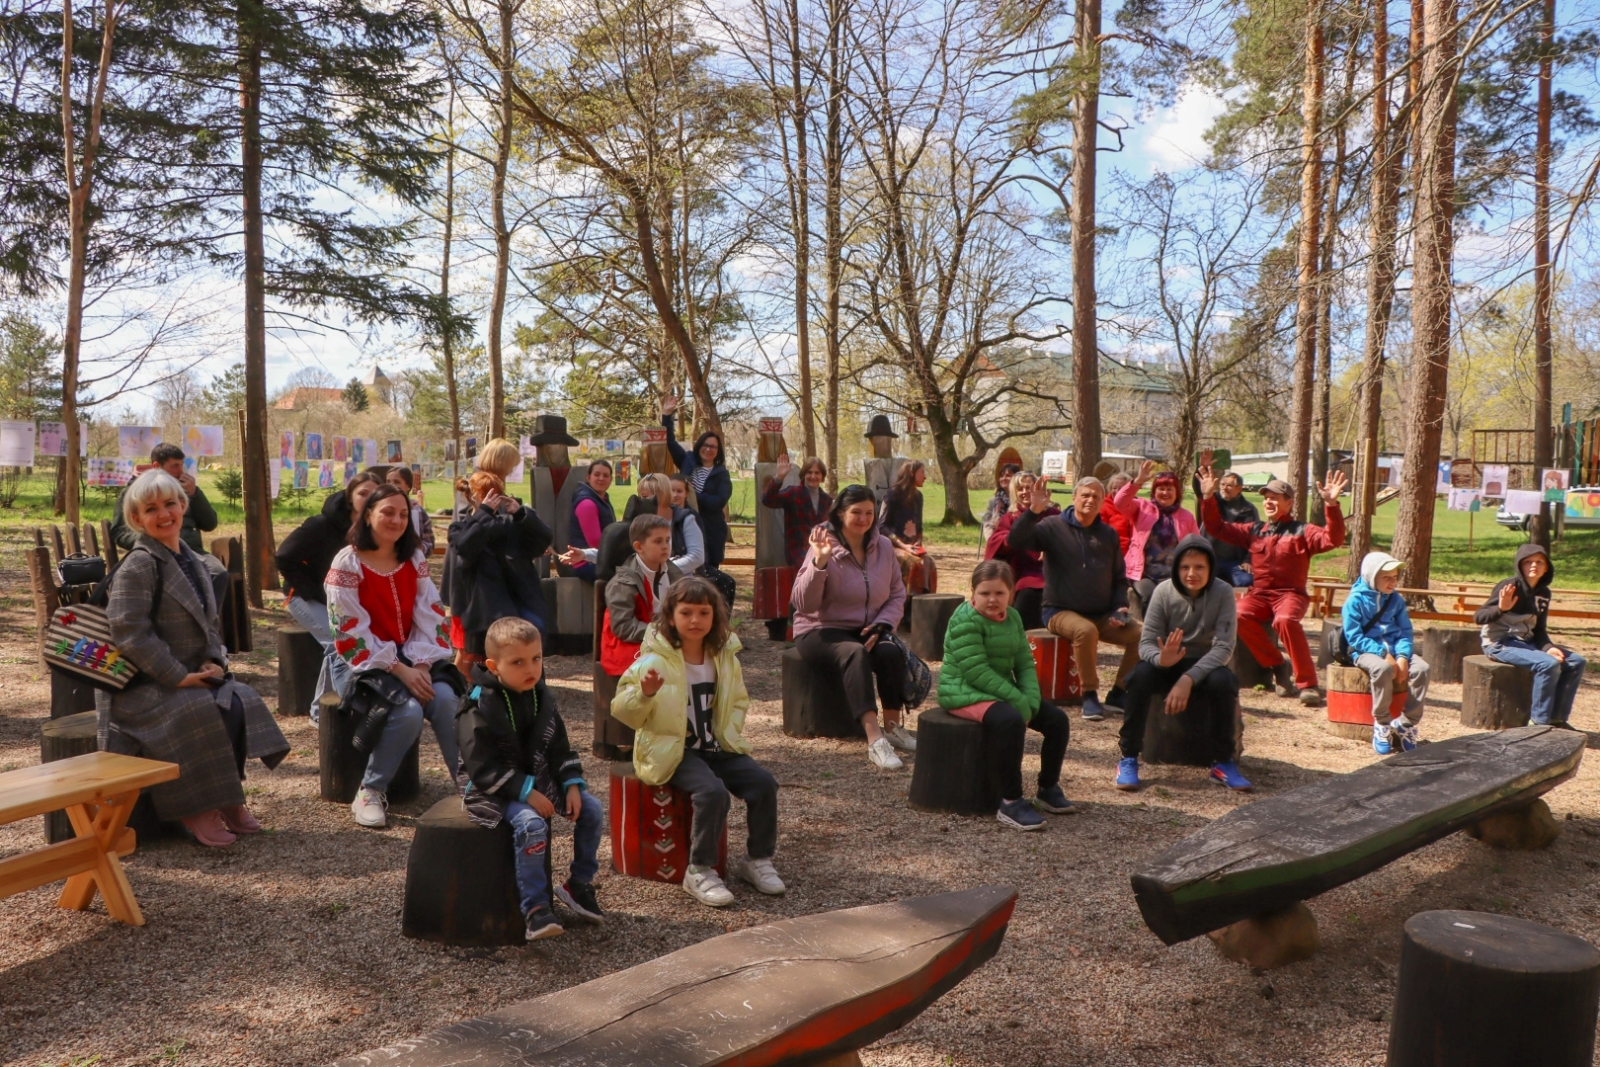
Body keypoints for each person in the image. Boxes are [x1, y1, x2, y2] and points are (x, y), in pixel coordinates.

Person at [100, 469, 288, 846]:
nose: (163, 513)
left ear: (183, 505)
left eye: (170, 503)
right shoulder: (138, 564)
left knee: (238, 700)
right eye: (150, 508)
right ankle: (195, 808)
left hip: (187, 675)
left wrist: (214, 661)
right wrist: (176, 676)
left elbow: (210, 624)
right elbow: (127, 631)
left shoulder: (192, 558)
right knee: (199, 709)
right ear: (136, 519)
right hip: (141, 687)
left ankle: (228, 797)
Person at [612, 577, 785, 907]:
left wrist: (728, 733)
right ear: (671, 616)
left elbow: (738, 701)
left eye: (703, 612)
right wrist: (645, 694)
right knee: (712, 791)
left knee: (763, 783)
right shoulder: (653, 660)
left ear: (715, 616)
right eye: (686, 612)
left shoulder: (723, 657)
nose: (695, 620)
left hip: (716, 746)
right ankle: (699, 869)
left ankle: (757, 859)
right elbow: (623, 711)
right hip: (673, 750)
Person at [456, 617, 604, 940]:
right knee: (531, 825)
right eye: (518, 662)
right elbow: (480, 767)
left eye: (536, 659)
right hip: (493, 788)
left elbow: (560, 748)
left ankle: (578, 885)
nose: (531, 668)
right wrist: (526, 793)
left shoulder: (542, 696)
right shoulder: (477, 705)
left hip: (536, 777)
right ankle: (535, 909)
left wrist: (572, 784)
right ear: (494, 665)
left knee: (591, 810)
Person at [326, 484, 461, 828]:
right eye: (387, 512)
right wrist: (400, 669)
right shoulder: (348, 563)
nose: (396, 520)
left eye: (403, 514)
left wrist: (422, 663)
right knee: (408, 711)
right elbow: (349, 631)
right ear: (367, 514)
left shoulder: (413, 558)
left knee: (445, 699)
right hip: (362, 662)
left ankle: (471, 786)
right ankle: (370, 790)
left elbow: (430, 613)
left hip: (413, 657)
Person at [937, 560, 1076, 830]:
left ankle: (1048, 787)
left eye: (999, 593)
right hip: (964, 690)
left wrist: (1030, 700)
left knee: (1057, 720)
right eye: (985, 593)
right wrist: (1018, 703)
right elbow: (976, 671)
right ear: (973, 593)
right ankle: (1010, 801)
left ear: (1011, 594)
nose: (992, 599)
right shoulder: (964, 620)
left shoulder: (1012, 617)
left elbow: (1024, 662)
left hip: (999, 689)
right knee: (1010, 721)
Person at [1199, 461, 1348, 707]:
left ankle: (1308, 683)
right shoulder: (1255, 530)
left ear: (1289, 502)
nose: (1268, 501)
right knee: (1237, 613)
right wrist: (1207, 497)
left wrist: (1331, 505)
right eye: (1266, 498)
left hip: (1290, 595)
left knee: (1285, 620)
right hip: (1260, 595)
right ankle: (1278, 666)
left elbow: (1334, 538)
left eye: (1275, 498)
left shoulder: (1303, 530)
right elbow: (1215, 527)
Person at [1116, 535, 1248, 792]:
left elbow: (1224, 647)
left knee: (1224, 681)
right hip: (1167, 661)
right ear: (1176, 568)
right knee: (1140, 675)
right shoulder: (1163, 592)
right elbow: (1146, 645)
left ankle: (1223, 762)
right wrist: (1160, 660)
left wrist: (1188, 679)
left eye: (1200, 567)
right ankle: (1128, 757)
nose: (1192, 573)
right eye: (1185, 567)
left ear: (1210, 568)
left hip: (1204, 664)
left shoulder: (1222, 593)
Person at [792, 484, 912, 769]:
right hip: (820, 629)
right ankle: (874, 739)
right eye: (856, 512)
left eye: (869, 512)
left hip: (868, 626)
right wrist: (819, 562)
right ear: (840, 513)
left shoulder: (882, 545)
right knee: (855, 653)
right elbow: (803, 604)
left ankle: (893, 727)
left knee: (889, 652)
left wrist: (884, 624)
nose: (864, 519)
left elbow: (897, 593)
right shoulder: (823, 545)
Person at [1007, 476, 1141, 722]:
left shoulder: (1108, 534)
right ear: (1074, 498)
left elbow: (1120, 578)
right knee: (1085, 631)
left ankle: (1119, 692)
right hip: (1059, 611)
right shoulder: (1052, 526)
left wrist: (1119, 607)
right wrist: (1033, 510)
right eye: (1085, 495)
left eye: (1096, 496)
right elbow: (1015, 540)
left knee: (1142, 634)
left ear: (1102, 502)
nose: (1090, 500)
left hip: (1102, 613)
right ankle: (1089, 694)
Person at [276, 468, 385, 714]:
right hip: (304, 597)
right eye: (362, 493)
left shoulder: (375, 529)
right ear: (350, 497)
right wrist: (312, 588)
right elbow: (283, 556)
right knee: (341, 644)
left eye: (374, 494)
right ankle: (352, 709)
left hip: (343, 602)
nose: (368, 498)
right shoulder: (321, 524)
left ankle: (318, 711)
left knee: (342, 644)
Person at [446, 470, 554, 668]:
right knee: (484, 673)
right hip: (486, 610)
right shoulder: (461, 528)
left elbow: (543, 539)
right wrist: (483, 513)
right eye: (486, 496)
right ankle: (477, 697)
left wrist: (522, 514)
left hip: (522, 603)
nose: (493, 501)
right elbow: (464, 546)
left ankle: (533, 694)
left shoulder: (511, 524)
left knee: (530, 651)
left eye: (496, 495)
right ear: (473, 498)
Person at [1475, 544, 1586, 729]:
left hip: (1528, 643)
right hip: (1499, 643)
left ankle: (1557, 719)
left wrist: (1548, 647)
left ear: (1546, 567)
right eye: (1528, 562)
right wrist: (1501, 608)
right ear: (1520, 565)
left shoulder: (1543, 594)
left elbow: (1539, 629)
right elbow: (1479, 617)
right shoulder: (1509, 586)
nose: (1534, 565)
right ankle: (1539, 723)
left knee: (1576, 662)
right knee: (1547, 664)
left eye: (1539, 562)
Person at [111, 442, 227, 605]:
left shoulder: (183, 491)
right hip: (156, 555)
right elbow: (119, 532)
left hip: (192, 553)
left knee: (217, 573)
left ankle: (207, 623)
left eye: (181, 465)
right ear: (157, 466)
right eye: (175, 466)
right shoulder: (135, 493)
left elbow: (210, 524)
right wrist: (151, 542)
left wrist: (194, 494)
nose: (181, 471)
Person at [1343, 551, 1431, 754]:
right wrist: (1384, 654)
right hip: (1365, 651)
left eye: (1395, 577)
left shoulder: (1396, 600)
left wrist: (1401, 656)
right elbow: (1354, 638)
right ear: (1372, 577)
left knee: (1422, 669)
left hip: (1396, 649)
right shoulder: (1354, 601)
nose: (1393, 582)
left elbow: (1405, 632)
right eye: (1386, 578)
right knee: (1382, 670)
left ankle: (1406, 723)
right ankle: (1382, 723)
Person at [599, 514, 685, 676]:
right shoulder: (623, 583)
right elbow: (623, 627)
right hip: (630, 644)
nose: (666, 546)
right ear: (639, 547)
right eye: (658, 541)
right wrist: (662, 632)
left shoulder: (675, 575)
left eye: (668, 540)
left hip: (663, 638)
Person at [1113, 460, 1200, 613]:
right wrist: (1138, 481)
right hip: (1143, 574)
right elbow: (1119, 502)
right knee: (1151, 596)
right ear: (1154, 491)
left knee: (1177, 598)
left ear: (1177, 492)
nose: (1165, 492)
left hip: (1174, 574)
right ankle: (1152, 634)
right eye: (1161, 488)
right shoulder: (1142, 508)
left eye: (1169, 489)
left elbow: (1198, 545)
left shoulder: (1186, 517)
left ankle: (1175, 634)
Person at [661, 396, 733, 571]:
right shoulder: (687, 461)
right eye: (705, 445)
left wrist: (692, 494)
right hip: (683, 524)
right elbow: (669, 442)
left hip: (710, 528)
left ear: (718, 451)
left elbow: (718, 502)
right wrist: (667, 415)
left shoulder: (721, 474)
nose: (708, 449)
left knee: (708, 572)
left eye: (713, 447)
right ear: (700, 445)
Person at [984, 470, 1057, 630]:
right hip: (1024, 571)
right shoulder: (1010, 517)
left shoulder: (1053, 514)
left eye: (1028, 488)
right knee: (1028, 591)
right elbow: (1000, 543)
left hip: (1053, 571)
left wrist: (1050, 547)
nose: (1024, 492)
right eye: (1020, 489)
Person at [762, 455, 833, 570]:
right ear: (804, 475)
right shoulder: (793, 493)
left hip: (820, 548)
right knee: (814, 566)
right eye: (809, 472)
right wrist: (779, 477)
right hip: (797, 550)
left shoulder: (827, 500)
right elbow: (768, 500)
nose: (813, 476)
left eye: (817, 473)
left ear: (822, 476)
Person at [882, 460, 932, 592]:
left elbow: (919, 526)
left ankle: (926, 601)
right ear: (911, 472)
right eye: (922, 472)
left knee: (929, 563)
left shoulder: (918, 496)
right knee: (915, 563)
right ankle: (908, 604)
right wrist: (903, 546)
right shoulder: (893, 494)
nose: (925, 477)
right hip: (893, 546)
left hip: (912, 547)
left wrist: (918, 542)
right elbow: (882, 526)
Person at [1207, 471, 1259, 587]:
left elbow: (1255, 538)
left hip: (1235, 561)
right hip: (1211, 558)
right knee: (1205, 581)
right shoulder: (1212, 502)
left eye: (1229, 485)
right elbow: (1199, 489)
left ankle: (1238, 605)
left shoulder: (1249, 509)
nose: (1224, 488)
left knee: (1246, 581)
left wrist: (1248, 560)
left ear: (1239, 488)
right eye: (1222, 484)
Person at [567, 459, 616, 582]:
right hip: (586, 562)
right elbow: (596, 543)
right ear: (588, 477)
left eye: (606, 475)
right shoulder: (587, 504)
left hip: (600, 559)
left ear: (611, 480)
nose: (601, 478)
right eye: (597, 474)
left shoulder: (602, 498)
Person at [386, 466, 435, 558]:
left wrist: (418, 548)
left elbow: (429, 545)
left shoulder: (418, 512)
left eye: (396, 482)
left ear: (408, 486)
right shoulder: (379, 510)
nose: (391, 486)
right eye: (388, 482)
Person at [980, 464, 1021, 544]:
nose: (1003, 478)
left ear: (1017, 478)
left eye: (1008, 475)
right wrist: (992, 541)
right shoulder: (994, 501)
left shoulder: (1023, 500)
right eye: (1001, 476)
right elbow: (988, 523)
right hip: (998, 542)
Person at [1101, 473, 1134, 556]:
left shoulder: (1136, 505)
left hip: (1135, 553)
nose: (1117, 491)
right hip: (1114, 553)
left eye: (1121, 488)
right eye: (1114, 488)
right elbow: (1101, 535)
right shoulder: (1104, 506)